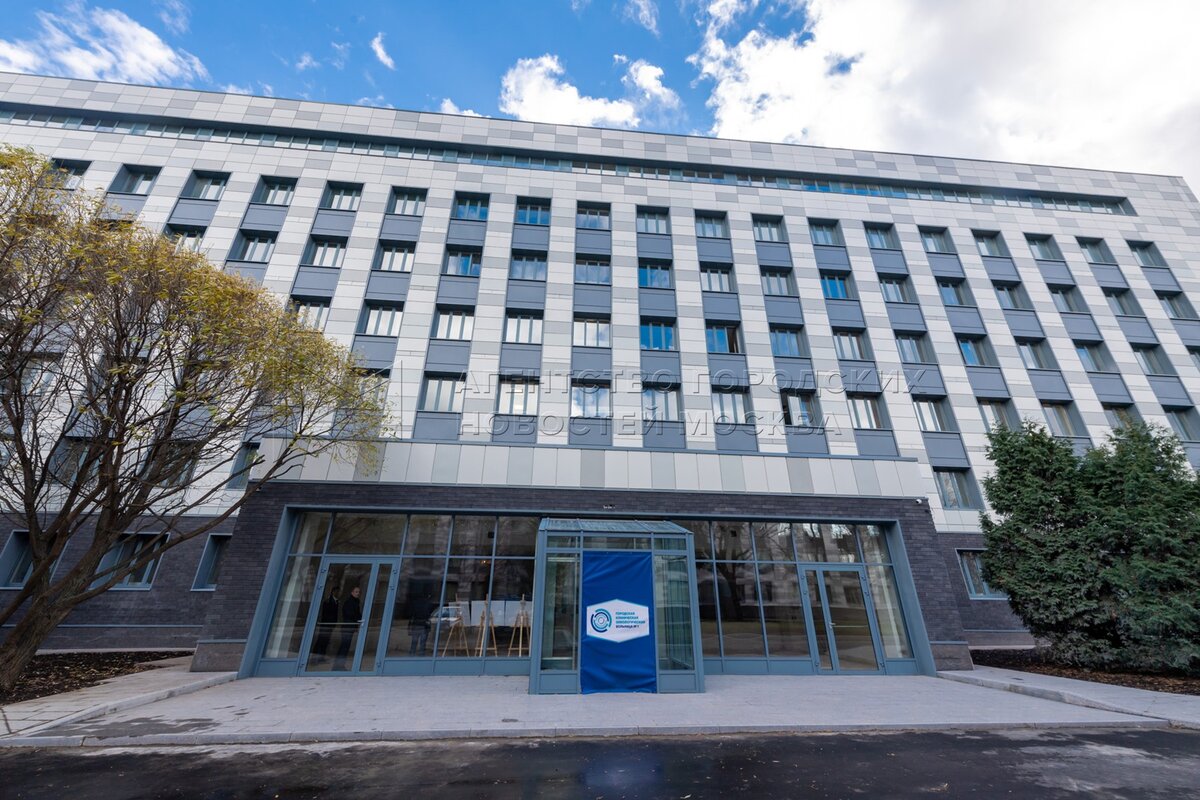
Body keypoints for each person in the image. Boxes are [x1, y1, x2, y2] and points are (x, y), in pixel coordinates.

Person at [333, 584, 362, 670]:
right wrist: (358, 619)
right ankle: (338, 666)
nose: (358, 593)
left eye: (359, 592)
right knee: (344, 647)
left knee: (345, 646)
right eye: (356, 592)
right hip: (347, 627)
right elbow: (350, 614)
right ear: (352, 592)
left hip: (350, 626)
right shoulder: (349, 602)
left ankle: (339, 665)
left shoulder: (355, 602)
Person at [311, 586, 339, 662]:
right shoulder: (328, 601)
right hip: (326, 624)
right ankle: (315, 657)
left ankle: (321, 657)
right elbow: (326, 614)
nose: (338, 593)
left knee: (325, 641)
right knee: (321, 640)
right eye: (337, 591)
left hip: (330, 624)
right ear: (333, 592)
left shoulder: (336, 601)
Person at [408, 590, 433, 656]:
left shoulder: (415, 603)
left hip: (416, 624)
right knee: (422, 642)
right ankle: (421, 655)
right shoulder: (428, 604)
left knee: (414, 641)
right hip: (424, 625)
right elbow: (429, 615)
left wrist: (409, 627)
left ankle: (412, 653)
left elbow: (411, 615)